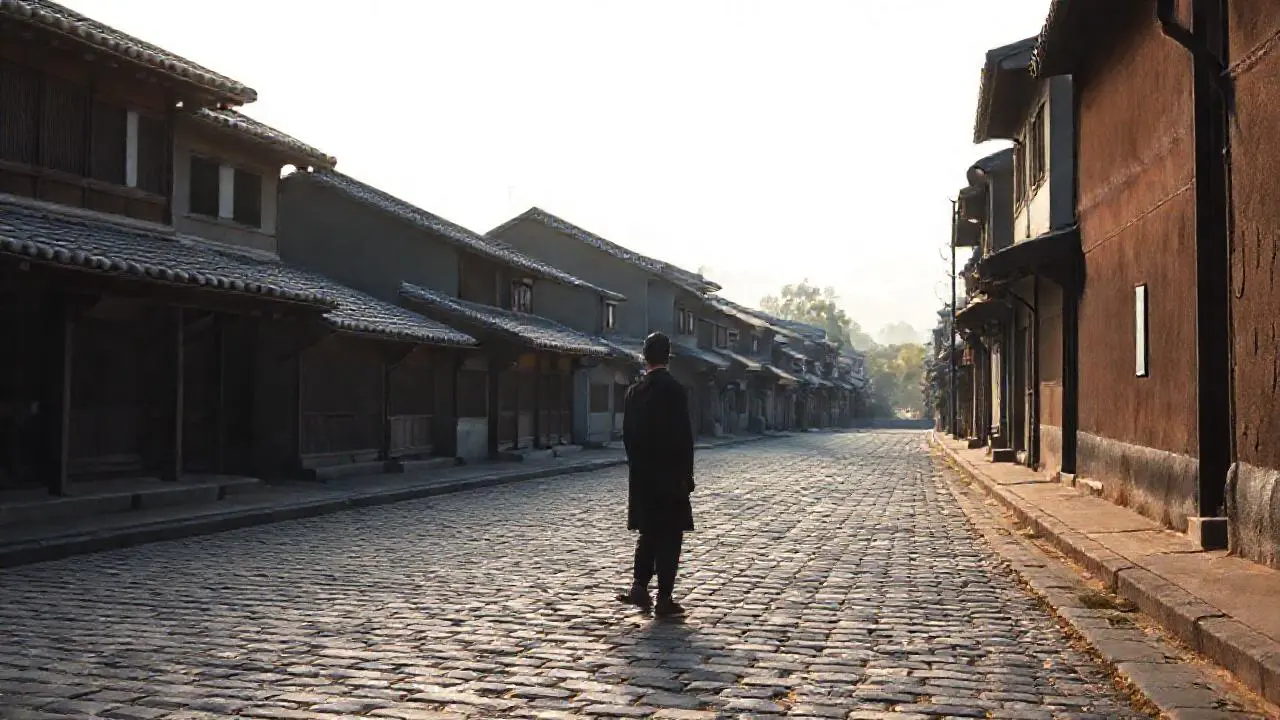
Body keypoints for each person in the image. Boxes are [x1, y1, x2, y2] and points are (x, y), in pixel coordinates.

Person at [616, 332, 695, 617]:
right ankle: (664, 598)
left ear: (644, 357)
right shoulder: (674, 390)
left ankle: (639, 586)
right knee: (670, 537)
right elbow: (683, 438)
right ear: (668, 357)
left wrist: (638, 469)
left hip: (642, 478)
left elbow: (628, 438)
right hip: (670, 477)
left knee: (647, 532)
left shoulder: (634, 393)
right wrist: (686, 476)